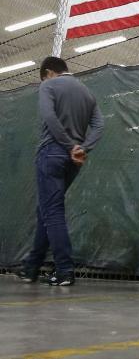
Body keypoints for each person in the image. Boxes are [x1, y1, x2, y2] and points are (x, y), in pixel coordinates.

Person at [17, 57, 103, 286]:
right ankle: (31, 267)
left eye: (44, 77)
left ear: (48, 72)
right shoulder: (87, 92)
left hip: (52, 153)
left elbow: (49, 117)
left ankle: (64, 270)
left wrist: (68, 145)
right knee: (44, 209)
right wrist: (82, 147)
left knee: (52, 211)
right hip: (73, 160)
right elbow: (99, 126)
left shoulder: (49, 86)